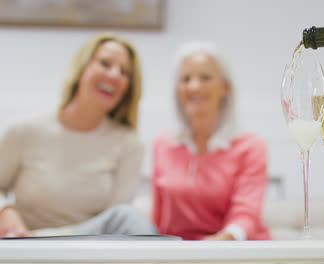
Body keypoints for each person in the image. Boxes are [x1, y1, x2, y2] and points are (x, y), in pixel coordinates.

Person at [0, 33, 155, 237]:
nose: (115, 75)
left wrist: (48, 239)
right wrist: (5, 211)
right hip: (25, 245)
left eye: (125, 72)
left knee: (128, 217)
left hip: (88, 245)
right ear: (81, 69)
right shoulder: (26, 131)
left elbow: (114, 223)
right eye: (105, 64)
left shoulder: (128, 143)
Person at [151, 42, 271, 240]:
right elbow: (158, 219)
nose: (194, 86)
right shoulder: (162, 145)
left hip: (234, 251)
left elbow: (246, 215)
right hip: (179, 255)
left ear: (225, 87)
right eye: (186, 79)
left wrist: (215, 246)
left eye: (205, 78)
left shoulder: (251, 147)